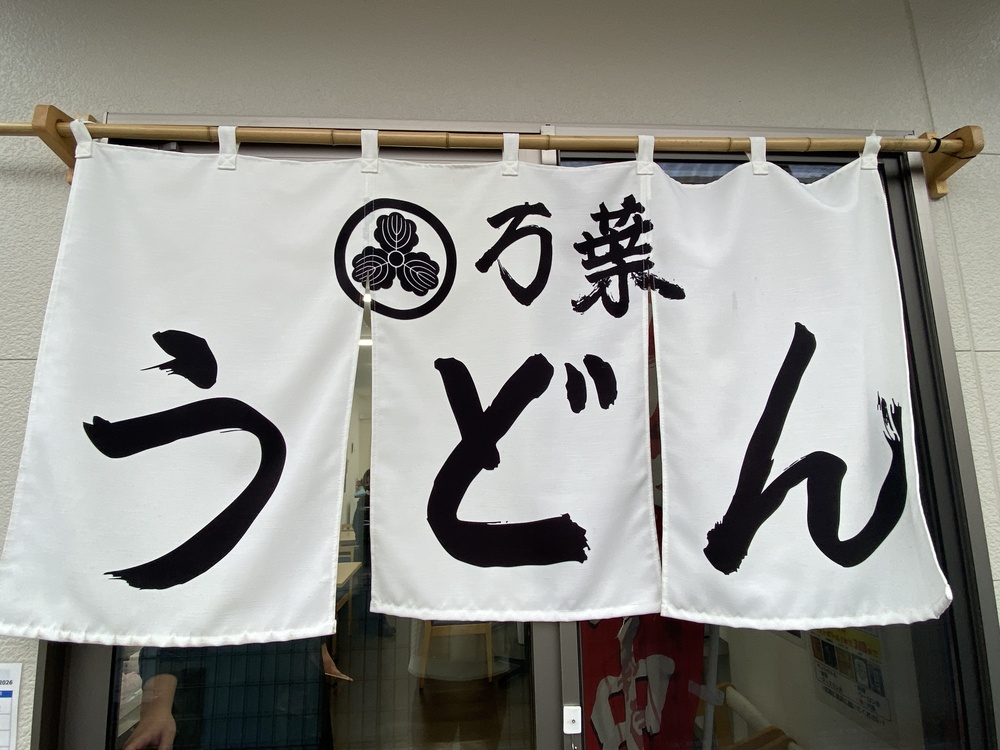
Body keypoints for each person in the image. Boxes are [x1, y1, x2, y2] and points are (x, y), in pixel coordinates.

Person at [124, 637, 345, 750]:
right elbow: (170, 630)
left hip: (294, 694)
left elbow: (307, 597)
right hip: (221, 699)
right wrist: (156, 706)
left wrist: (320, 652)